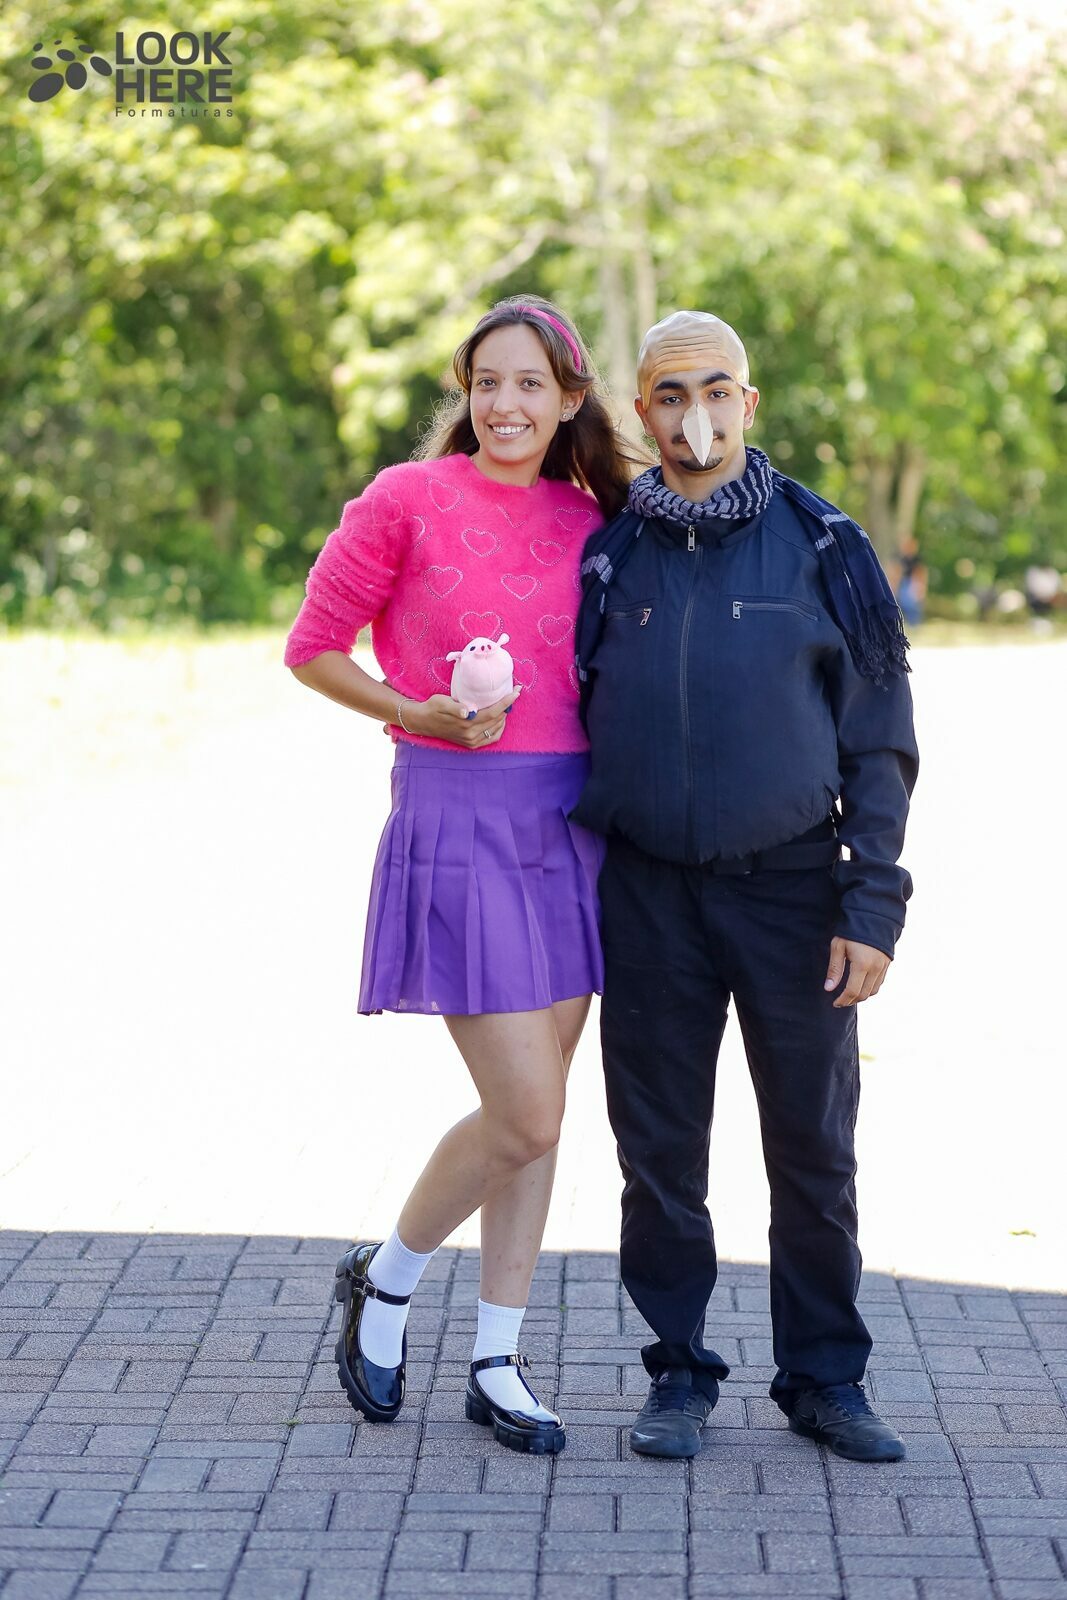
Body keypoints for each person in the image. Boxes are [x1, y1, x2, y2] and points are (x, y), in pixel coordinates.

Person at [284, 296, 637, 1457]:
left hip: (570, 827)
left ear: (570, 399)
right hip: (455, 818)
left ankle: (495, 1358)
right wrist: (415, 711)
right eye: (487, 382)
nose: (504, 404)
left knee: (539, 1118)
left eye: (530, 383)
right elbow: (312, 647)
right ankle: (385, 1277)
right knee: (525, 1108)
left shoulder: (593, 520)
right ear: (465, 391)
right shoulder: (404, 498)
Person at [572, 311, 919, 1463]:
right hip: (646, 895)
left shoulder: (826, 545)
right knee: (657, 1152)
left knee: (812, 1152)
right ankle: (677, 1371)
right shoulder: (608, 552)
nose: (694, 414)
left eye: (714, 389)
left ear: (747, 402)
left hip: (793, 896)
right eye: (669, 395)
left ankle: (824, 1378)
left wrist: (871, 906)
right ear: (641, 411)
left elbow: (880, 742)